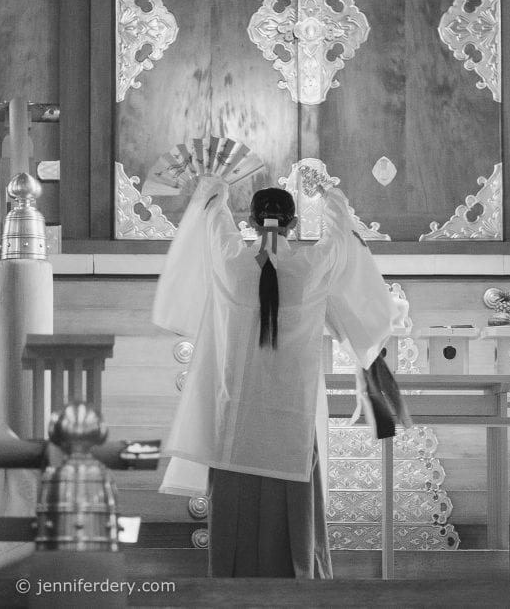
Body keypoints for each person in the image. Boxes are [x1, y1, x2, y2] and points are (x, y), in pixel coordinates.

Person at [151, 174, 395, 578]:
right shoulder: (311, 268)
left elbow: (212, 215)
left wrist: (217, 187)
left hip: (235, 420)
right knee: (293, 503)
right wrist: (331, 195)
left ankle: (231, 585)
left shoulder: (232, 265)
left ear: (249, 221)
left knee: (235, 506)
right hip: (291, 421)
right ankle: (298, 581)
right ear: (293, 224)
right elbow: (343, 240)